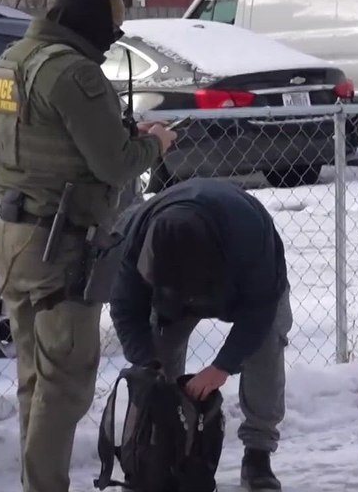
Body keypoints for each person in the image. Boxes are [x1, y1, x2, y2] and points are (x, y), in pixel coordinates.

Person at [0, 0, 176, 492]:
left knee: (33, 377)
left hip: (11, 231)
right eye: (111, 33)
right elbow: (114, 163)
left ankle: (35, 482)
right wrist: (156, 143)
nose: (111, 43)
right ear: (93, 25)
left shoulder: (11, 61)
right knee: (64, 383)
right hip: (57, 244)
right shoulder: (72, 73)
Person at [108, 177, 292, 492]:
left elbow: (260, 311)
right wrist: (148, 362)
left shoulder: (247, 236)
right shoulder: (135, 238)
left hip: (240, 290)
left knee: (266, 343)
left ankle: (258, 455)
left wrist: (222, 367)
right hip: (170, 302)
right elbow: (126, 310)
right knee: (154, 370)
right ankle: (157, 451)